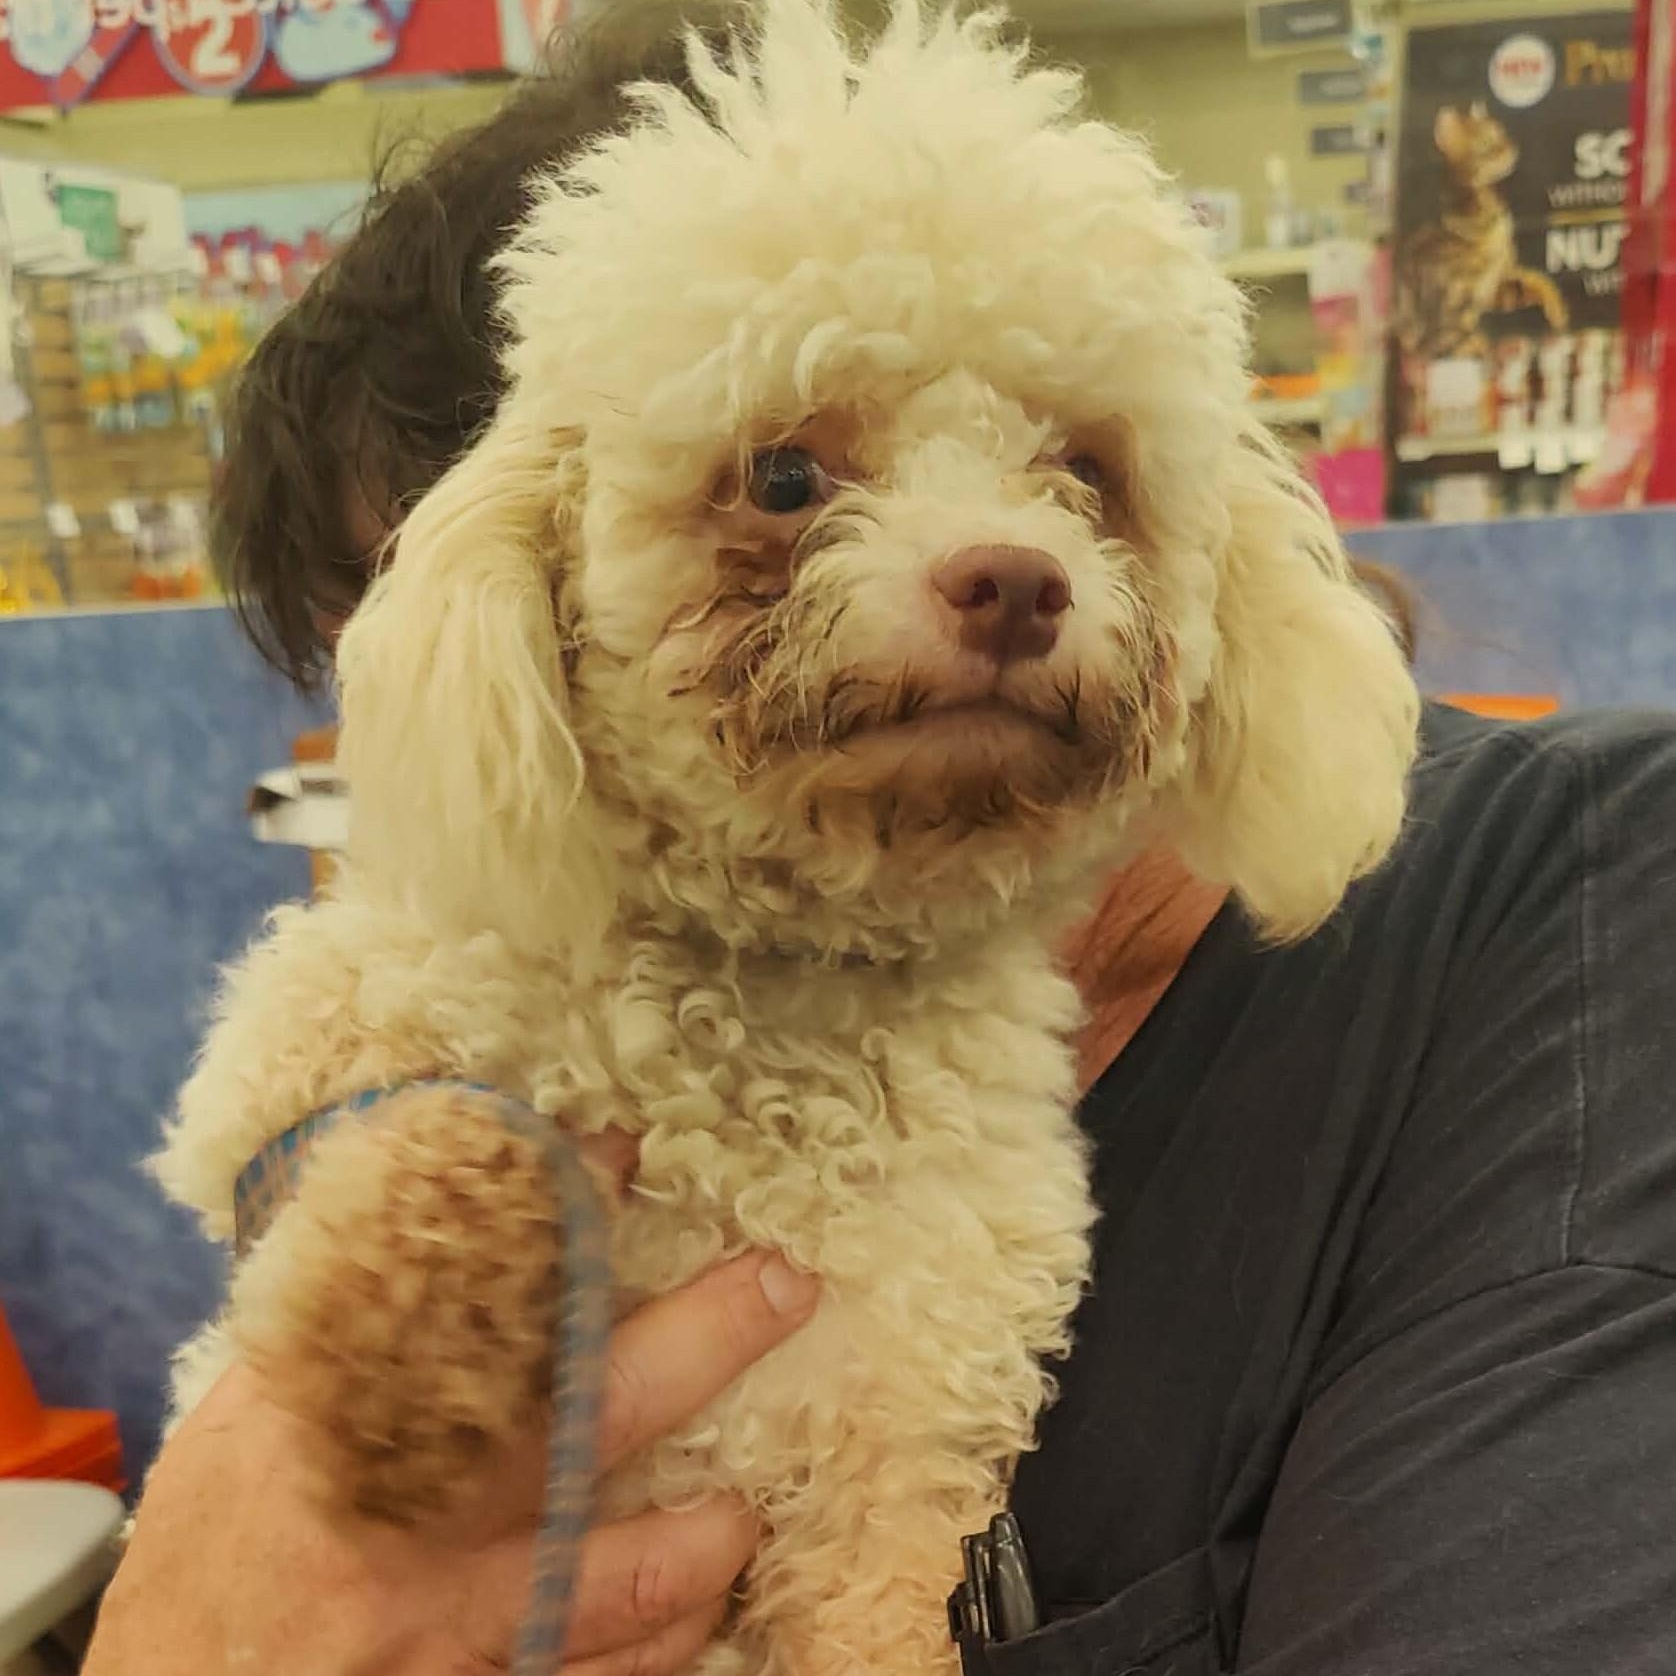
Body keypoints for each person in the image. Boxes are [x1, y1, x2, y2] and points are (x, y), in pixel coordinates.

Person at [90, 29, 1676, 1676]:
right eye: (787, 485)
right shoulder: (492, 985)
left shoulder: (1576, 928)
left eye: (1081, 475)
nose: (998, 560)